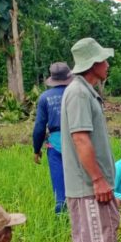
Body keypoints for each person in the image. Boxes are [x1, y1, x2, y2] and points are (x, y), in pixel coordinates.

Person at [60, 37, 120, 242]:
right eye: (104, 60)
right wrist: (97, 179)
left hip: (92, 185)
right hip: (88, 187)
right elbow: (81, 139)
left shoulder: (86, 91)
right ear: (93, 64)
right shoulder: (79, 93)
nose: (108, 65)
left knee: (98, 239)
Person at [32, 61, 72, 213]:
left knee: (59, 186)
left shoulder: (45, 98)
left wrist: (36, 150)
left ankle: (61, 217)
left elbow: (39, 128)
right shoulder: (76, 94)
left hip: (55, 145)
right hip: (77, 141)